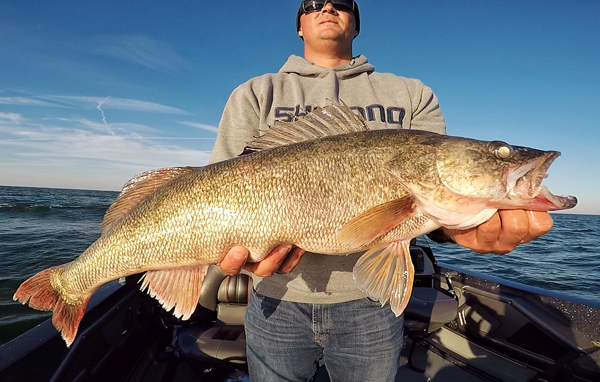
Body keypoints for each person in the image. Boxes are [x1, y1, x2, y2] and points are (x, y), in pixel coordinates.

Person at [209, 1, 554, 380]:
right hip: (275, 298)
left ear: (355, 24)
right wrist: (231, 250)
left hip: (370, 306)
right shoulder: (255, 92)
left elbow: (435, 209)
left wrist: (459, 228)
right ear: (299, 26)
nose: (327, 7)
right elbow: (215, 188)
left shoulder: (412, 93)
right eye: (312, 4)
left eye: (341, 3)